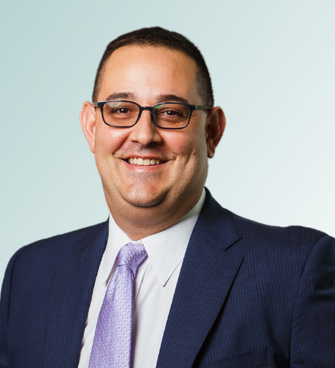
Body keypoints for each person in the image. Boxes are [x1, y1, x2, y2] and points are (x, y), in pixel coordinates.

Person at [0, 27, 334, 368]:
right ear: (91, 127)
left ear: (212, 132)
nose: (144, 135)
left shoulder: (296, 270)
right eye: (120, 110)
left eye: (171, 112)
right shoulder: (29, 275)